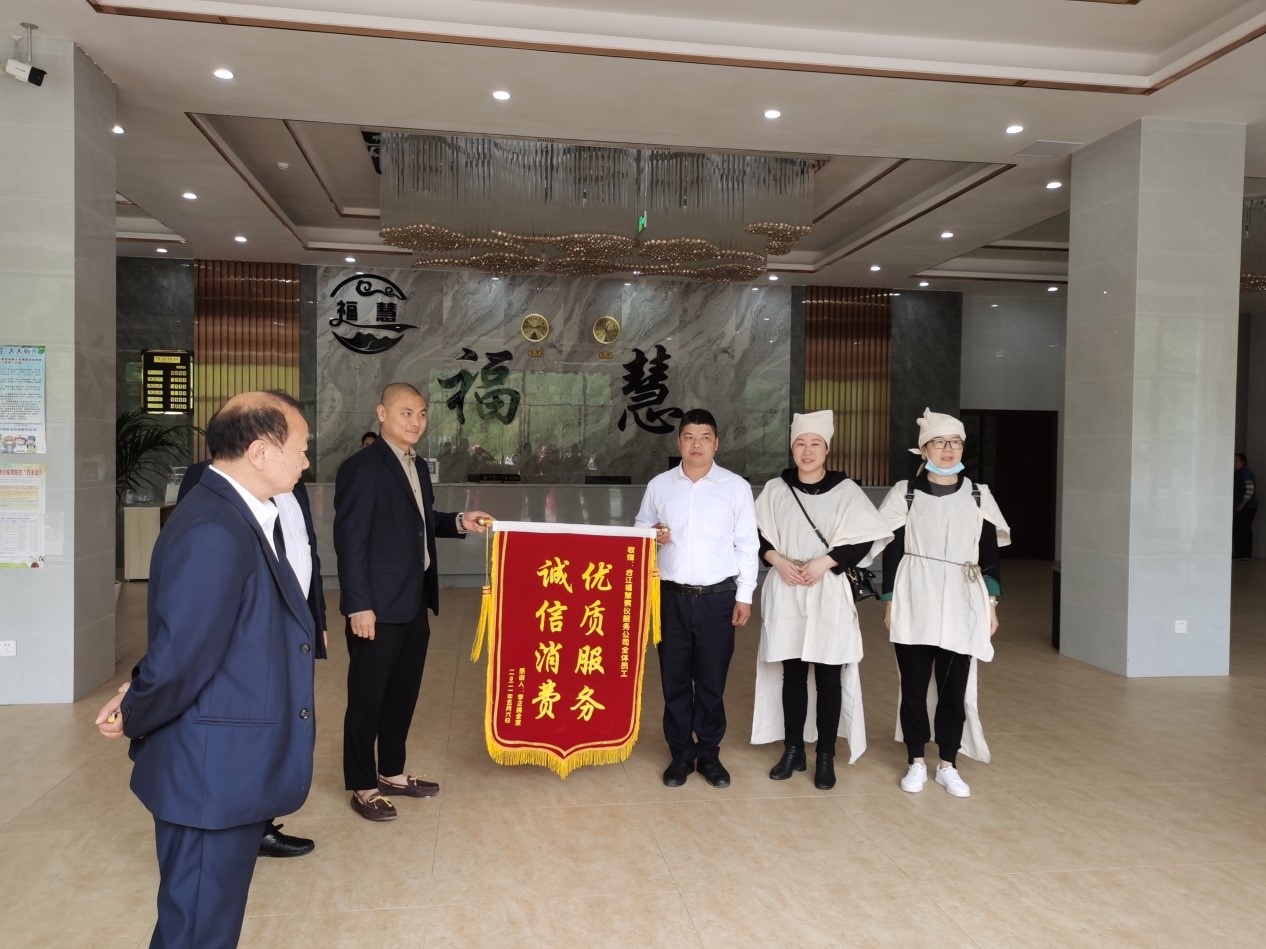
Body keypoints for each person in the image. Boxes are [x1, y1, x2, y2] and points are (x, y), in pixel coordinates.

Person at [94, 391, 317, 947]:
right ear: (261, 451)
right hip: (209, 773)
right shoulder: (215, 527)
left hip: (226, 770)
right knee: (196, 930)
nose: (307, 460)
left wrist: (136, 687)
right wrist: (135, 706)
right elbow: (182, 656)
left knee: (201, 924)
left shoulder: (236, 513)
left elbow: (200, 632)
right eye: (301, 447)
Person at [334, 383, 490, 821]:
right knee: (367, 697)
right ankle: (363, 785)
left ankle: (392, 773)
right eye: (406, 413)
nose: (416, 422)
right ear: (382, 413)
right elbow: (349, 541)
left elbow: (420, 522)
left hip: (413, 598)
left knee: (402, 693)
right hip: (376, 607)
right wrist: (358, 604)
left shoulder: (416, 465)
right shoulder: (362, 468)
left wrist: (459, 521)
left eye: (421, 414)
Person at [179, 448, 327, 859]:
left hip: (291, 623)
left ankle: (260, 821)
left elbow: (305, 551)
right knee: (250, 721)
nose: (305, 459)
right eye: (298, 445)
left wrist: (316, 618)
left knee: (281, 719)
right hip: (250, 627)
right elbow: (200, 562)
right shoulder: (207, 480)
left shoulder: (294, 486)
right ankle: (243, 824)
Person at [873, 408, 1010, 799]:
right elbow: (892, 550)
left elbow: (989, 554)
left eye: (955, 443)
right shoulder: (906, 493)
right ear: (923, 450)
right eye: (939, 442)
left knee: (954, 686)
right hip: (915, 592)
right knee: (914, 685)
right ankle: (916, 760)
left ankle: (948, 763)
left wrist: (991, 604)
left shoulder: (978, 494)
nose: (948, 450)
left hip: (963, 596)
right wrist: (890, 599)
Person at [750, 411, 891, 790]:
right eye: (800, 443)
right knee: (792, 674)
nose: (807, 451)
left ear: (827, 449)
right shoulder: (777, 489)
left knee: (829, 676)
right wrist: (776, 560)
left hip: (828, 588)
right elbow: (755, 534)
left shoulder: (846, 491)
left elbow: (866, 537)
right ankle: (793, 750)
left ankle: (825, 755)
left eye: (815, 444)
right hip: (787, 585)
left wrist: (826, 562)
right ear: (792, 448)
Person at [634, 408, 759, 788]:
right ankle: (680, 755)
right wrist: (653, 534)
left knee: (711, 681)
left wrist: (745, 595)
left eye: (705, 438)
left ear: (716, 443)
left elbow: (747, 545)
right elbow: (639, 529)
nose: (697, 445)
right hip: (670, 598)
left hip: (717, 599)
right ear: (679, 443)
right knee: (673, 680)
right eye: (689, 437)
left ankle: (708, 753)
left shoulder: (735, 487)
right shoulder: (660, 485)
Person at [1234, 453, 1257, 561]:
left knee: (1242, 528)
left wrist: (1241, 505)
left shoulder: (1246, 472)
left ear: (1243, 462)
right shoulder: (1237, 473)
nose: (1234, 463)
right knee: (1240, 528)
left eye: (1236, 461)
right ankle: (1242, 553)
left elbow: (1250, 490)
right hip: (1243, 506)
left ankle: (1243, 554)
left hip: (1248, 506)